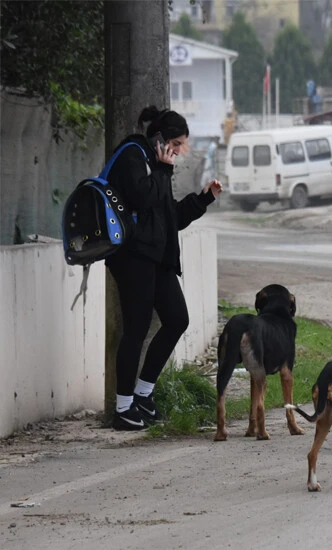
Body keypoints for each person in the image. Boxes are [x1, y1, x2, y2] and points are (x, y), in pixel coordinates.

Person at [105, 105, 222, 430]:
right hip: (132, 257)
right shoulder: (133, 155)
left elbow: (168, 217)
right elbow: (141, 200)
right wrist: (163, 170)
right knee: (135, 331)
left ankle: (143, 395)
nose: (181, 151)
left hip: (157, 258)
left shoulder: (155, 166)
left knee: (176, 320)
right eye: (178, 144)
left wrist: (204, 199)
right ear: (161, 139)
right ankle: (123, 408)